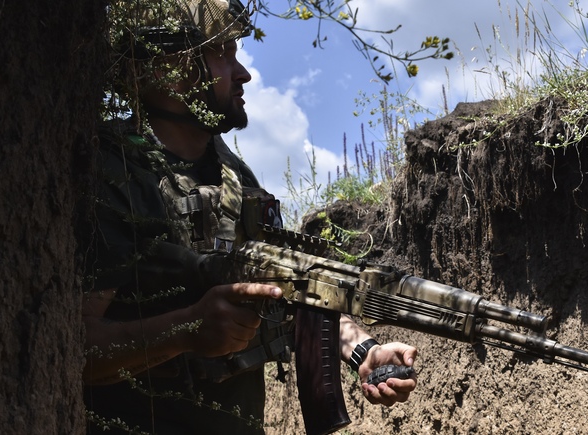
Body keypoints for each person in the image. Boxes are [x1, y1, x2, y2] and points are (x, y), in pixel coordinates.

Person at [82, 1, 417, 433]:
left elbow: (290, 292)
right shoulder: (117, 171)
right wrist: (186, 329)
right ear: (172, 66)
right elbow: (72, 346)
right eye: (222, 52)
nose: (243, 73)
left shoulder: (234, 177)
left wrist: (362, 350)